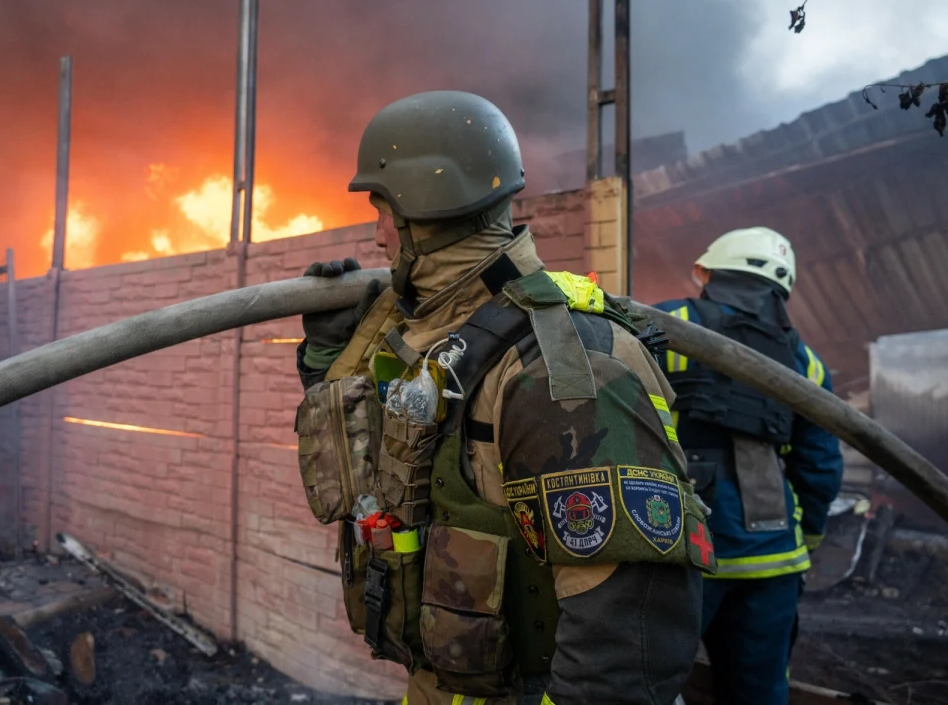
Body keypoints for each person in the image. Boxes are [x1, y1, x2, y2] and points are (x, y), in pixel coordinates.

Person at [293, 90, 715, 705]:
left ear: (422, 212)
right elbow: (374, 482)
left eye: (382, 209)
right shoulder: (432, 337)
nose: (378, 232)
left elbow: (625, 638)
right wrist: (332, 362)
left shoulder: (564, 369)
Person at [651, 228, 845, 705]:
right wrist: (809, 539)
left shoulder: (663, 324)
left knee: (645, 684)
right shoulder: (807, 363)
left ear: (707, 272)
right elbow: (820, 467)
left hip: (677, 552)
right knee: (759, 693)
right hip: (774, 560)